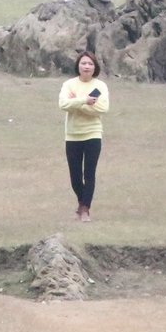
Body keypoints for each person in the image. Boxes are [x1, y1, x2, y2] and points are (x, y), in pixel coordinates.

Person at [58, 53, 107, 222]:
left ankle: (85, 209)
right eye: (83, 63)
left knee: (89, 173)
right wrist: (85, 100)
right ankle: (81, 202)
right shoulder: (69, 85)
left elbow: (102, 109)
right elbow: (63, 104)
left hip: (93, 133)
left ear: (95, 67)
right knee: (75, 175)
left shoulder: (99, 86)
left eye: (90, 64)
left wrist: (78, 104)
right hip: (72, 135)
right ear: (78, 65)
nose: (86, 66)